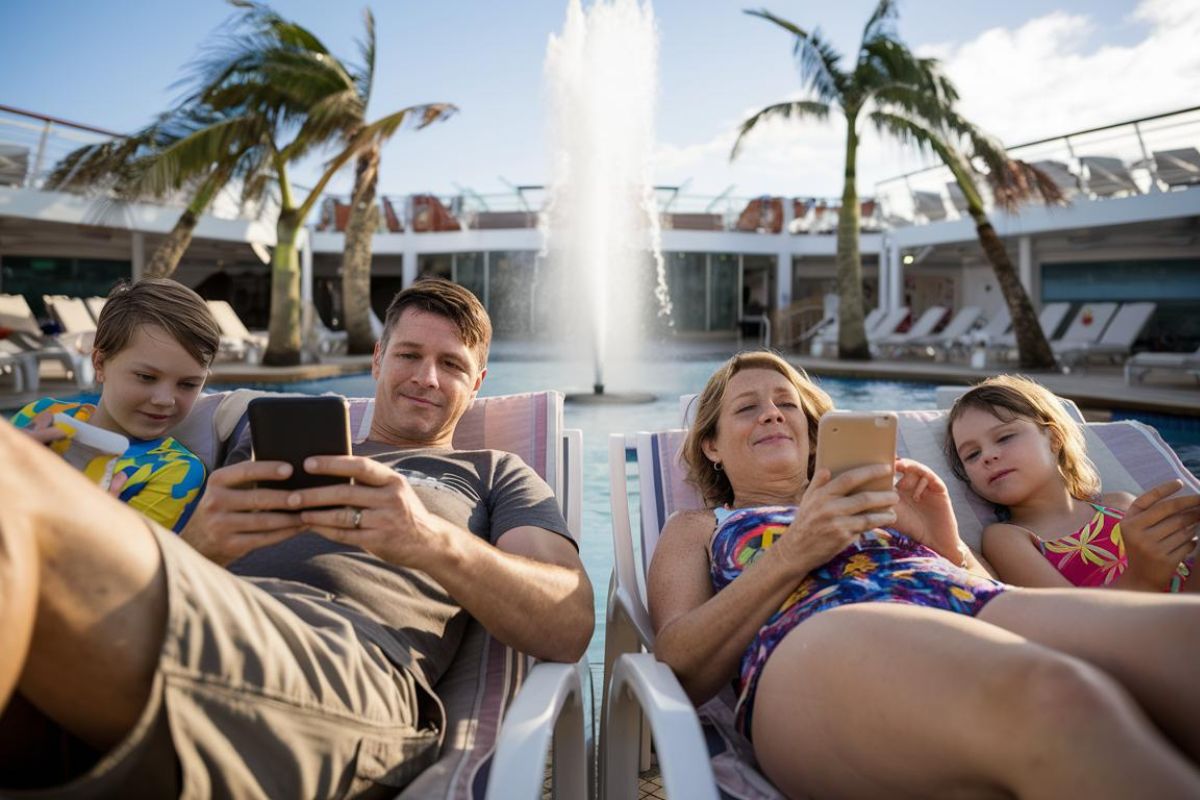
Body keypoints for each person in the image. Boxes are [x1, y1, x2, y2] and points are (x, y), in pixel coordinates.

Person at [0, 278, 593, 797]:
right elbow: (153, 387)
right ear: (378, 360)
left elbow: (567, 623)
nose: (426, 378)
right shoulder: (259, 435)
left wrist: (426, 539)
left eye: (453, 365)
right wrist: (201, 543)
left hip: (343, 668)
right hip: (201, 620)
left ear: (479, 381)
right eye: (409, 354)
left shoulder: (495, 473)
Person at [649, 350, 1200, 798]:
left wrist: (947, 542)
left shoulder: (878, 502)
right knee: (1055, 698)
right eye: (748, 408)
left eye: (787, 405)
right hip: (818, 637)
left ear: (813, 432)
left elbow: (991, 592)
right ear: (712, 445)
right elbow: (679, 664)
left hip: (959, 603)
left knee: (1185, 637)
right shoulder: (697, 527)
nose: (772, 414)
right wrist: (795, 551)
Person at [946, 374, 1198, 593]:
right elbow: (1073, 617)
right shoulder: (1007, 538)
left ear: (1054, 439)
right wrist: (1143, 578)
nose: (988, 456)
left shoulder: (1121, 505)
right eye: (972, 455)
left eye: (1005, 437)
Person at [11, 279, 219, 532]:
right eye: (146, 377)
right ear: (99, 363)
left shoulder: (177, 472)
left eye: (188, 384)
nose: (165, 399)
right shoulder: (40, 414)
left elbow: (123, 567)